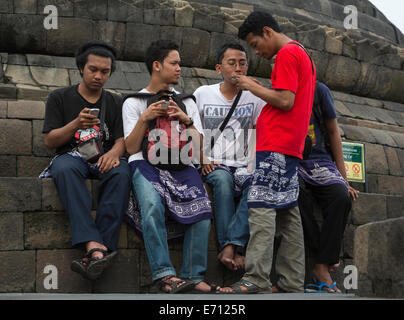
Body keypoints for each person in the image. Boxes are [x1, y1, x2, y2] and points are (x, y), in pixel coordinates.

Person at [219, 11, 316, 293]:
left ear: (267, 32)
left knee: (261, 209)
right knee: (287, 213)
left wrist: (250, 85)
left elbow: (285, 100)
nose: (255, 51)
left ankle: (255, 279)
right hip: (290, 145)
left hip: (275, 144)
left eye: (254, 43)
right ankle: (290, 282)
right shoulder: (301, 53)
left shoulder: (286, 54)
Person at [122, 40, 216, 293]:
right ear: (156, 65)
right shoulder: (134, 102)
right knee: (151, 206)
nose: (179, 68)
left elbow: (199, 147)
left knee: (203, 209)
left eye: (179, 63)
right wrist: (145, 118)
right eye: (174, 63)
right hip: (145, 162)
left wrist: (186, 120)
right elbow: (130, 148)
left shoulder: (187, 102)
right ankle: (164, 275)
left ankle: (193, 276)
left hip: (181, 163)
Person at [40, 40, 131, 280]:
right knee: (64, 168)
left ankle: (98, 250)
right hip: (72, 156)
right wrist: (75, 124)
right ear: (81, 68)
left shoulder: (115, 102)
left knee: (121, 173)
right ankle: (95, 245)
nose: (99, 76)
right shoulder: (59, 97)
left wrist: (114, 153)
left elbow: (122, 139)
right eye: (93, 69)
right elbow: (50, 141)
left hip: (105, 157)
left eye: (105, 71)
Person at [193, 43, 265, 271]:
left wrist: (253, 164)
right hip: (214, 162)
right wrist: (203, 157)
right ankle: (230, 246)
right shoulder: (203, 94)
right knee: (222, 183)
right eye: (231, 63)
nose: (238, 68)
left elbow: (260, 131)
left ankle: (230, 246)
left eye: (242, 63)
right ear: (218, 68)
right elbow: (193, 130)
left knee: (256, 184)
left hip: (244, 163)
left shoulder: (256, 96)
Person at [298, 82, 359, 293]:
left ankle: (321, 265)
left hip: (320, 161)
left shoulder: (318, 91)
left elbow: (333, 133)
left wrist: (344, 179)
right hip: (293, 161)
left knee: (341, 196)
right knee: (295, 194)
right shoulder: (276, 90)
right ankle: (323, 256)